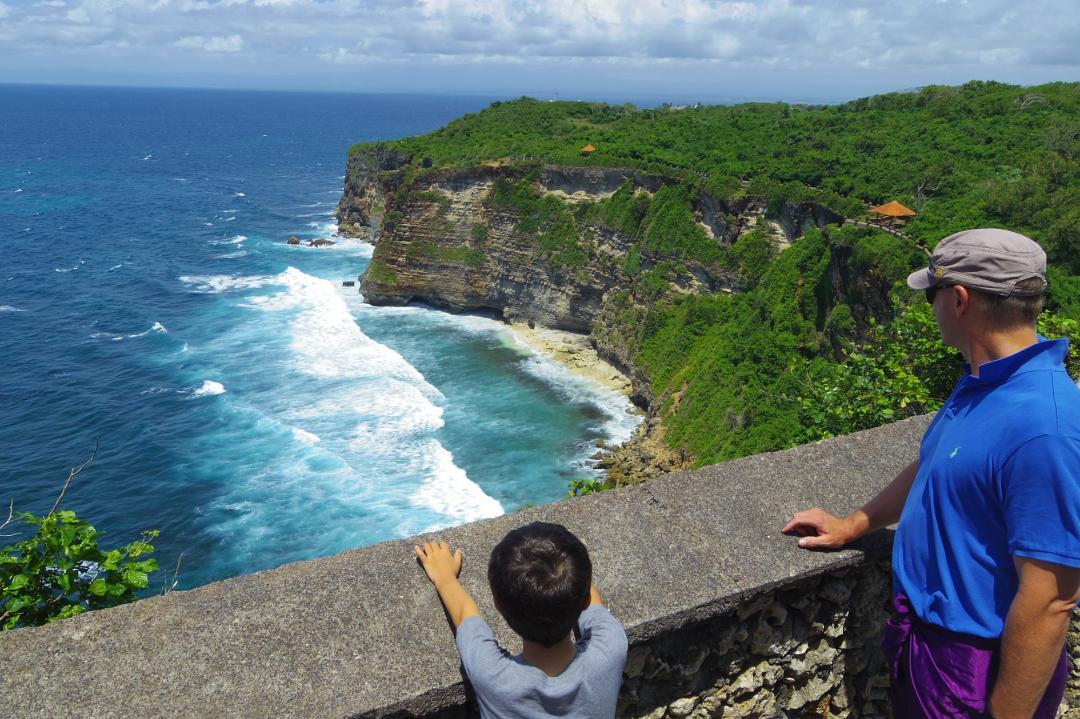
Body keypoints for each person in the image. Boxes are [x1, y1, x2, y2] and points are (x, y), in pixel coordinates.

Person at [782, 228, 1080, 718]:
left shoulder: (1044, 428)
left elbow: (1051, 599)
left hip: (976, 665)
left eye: (933, 296)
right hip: (929, 642)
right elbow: (938, 463)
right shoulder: (986, 380)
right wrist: (855, 523)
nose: (932, 308)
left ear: (959, 299)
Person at [414, 521, 628, 719]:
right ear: (584, 602)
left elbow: (463, 613)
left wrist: (444, 577)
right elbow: (591, 600)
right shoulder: (612, 647)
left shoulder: (492, 675)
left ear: (497, 605)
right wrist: (570, 561)